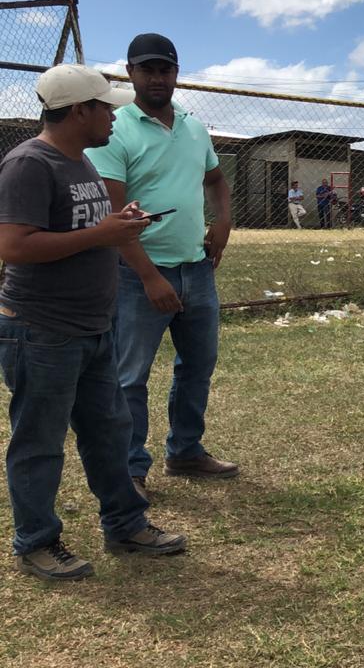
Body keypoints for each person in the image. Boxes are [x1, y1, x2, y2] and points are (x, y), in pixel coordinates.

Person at [0, 64, 187, 580]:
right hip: (41, 329)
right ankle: (37, 542)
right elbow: (14, 246)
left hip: (92, 326)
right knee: (39, 441)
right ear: (79, 110)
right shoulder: (29, 164)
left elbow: (91, 229)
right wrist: (101, 235)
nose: (114, 115)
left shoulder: (80, 161)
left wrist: (118, 226)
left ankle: (126, 523)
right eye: (105, 106)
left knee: (109, 431)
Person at [85, 33, 239, 501]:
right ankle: (131, 468)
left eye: (165, 69)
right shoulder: (116, 129)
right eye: (147, 69)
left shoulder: (194, 127)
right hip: (136, 275)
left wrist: (223, 223)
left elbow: (215, 180)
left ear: (176, 73)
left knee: (198, 366)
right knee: (129, 375)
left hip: (196, 268)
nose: (157, 78)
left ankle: (186, 450)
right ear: (130, 73)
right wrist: (149, 275)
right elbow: (111, 215)